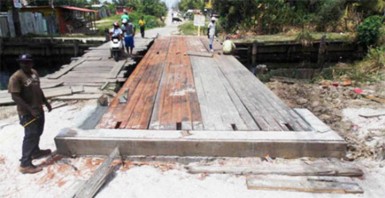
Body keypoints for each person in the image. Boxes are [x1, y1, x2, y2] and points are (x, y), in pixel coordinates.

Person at [8, 54, 52, 174]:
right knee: (30, 135)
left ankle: (35, 151)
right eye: (23, 62)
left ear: (31, 63)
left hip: (38, 109)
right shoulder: (16, 78)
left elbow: (38, 89)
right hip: (27, 112)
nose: (25, 64)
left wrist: (46, 102)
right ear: (20, 63)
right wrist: (30, 109)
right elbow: (15, 97)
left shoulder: (34, 73)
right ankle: (25, 163)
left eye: (28, 62)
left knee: (38, 132)